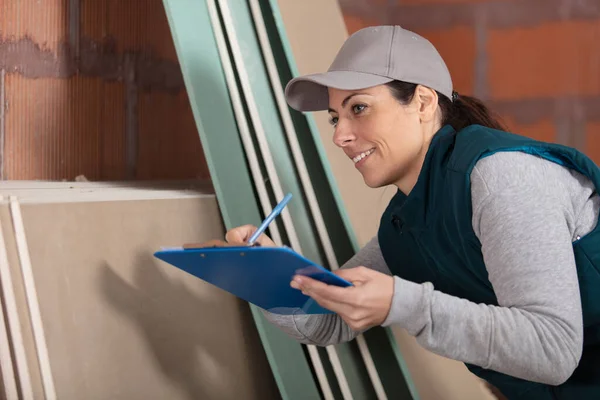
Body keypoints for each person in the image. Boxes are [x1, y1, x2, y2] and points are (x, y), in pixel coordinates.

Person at [219, 25, 600, 399]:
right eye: (336, 117)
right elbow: (326, 320)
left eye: (360, 108)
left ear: (423, 102)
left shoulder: (501, 177)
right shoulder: (407, 224)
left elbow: (553, 349)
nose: (339, 136)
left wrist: (402, 303)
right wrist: (261, 271)